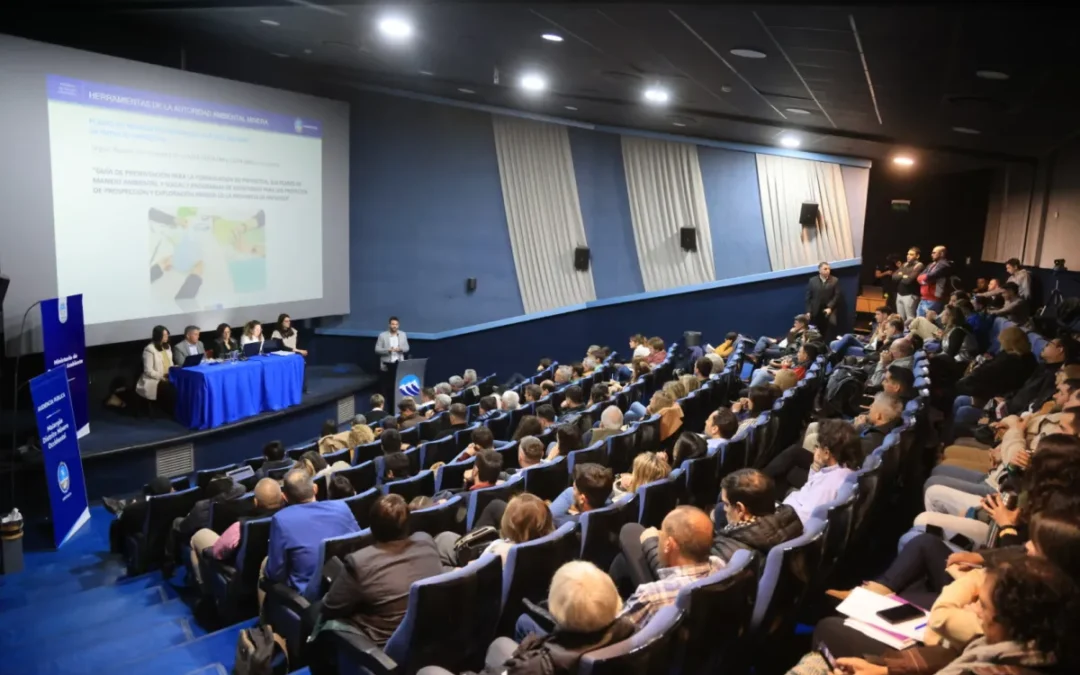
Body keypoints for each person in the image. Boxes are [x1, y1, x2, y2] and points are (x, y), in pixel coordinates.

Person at [824, 558, 1080, 675]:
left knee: (828, 629)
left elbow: (941, 620)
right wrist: (882, 672)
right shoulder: (1022, 649)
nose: (975, 610)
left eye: (984, 606)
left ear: (1011, 622)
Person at [319, 494, 443, 646]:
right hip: (428, 640)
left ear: (372, 528)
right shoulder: (426, 540)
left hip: (381, 653)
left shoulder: (359, 562)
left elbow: (330, 608)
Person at [264, 469, 360, 599]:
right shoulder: (342, 507)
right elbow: (360, 544)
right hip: (350, 586)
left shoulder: (280, 520)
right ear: (315, 489)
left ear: (284, 497)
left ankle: (266, 619)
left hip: (309, 601)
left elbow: (275, 574)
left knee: (265, 567)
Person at [619, 506, 722, 627]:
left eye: (660, 534)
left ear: (668, 545)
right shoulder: (718, 565)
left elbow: (613, 632)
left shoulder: (652, 596)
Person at [189, 478, 284, 588]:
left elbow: (217, 553)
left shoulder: (240, 527)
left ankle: (204, 590)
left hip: (240, 578)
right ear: (282, 497)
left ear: (255, 502)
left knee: (198, 536)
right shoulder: (289, 518)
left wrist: (207, 551)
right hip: (271, 572)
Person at [434, 493, 555, 568]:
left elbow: (471, 570)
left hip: (471, 564)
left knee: (441, 540)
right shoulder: (551, 545)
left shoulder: (498, 552)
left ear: (508, 526)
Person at [782, 419, 864, 524]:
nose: (816, 450)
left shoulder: (828, 484)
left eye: (818, 446)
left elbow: (805, 517)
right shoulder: (845, 470)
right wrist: (816, 465)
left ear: (826, 453)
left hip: (791, 516)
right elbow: (811, 487)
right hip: (797, 501)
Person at [955, 325, 1037, 403]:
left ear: (1008, 343)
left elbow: (986, 374)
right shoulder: (1029, 357)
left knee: (959, 395)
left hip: (996, 396)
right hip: (996, 390)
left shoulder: (1010, 361)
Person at [549, 463, 614, 527]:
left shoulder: (560, 522)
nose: (572, 490)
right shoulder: (613, 509)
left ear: (582, 499)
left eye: (574, 488)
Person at [136, 325, 177, 415]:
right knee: (171, 388)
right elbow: (148, 371)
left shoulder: (167, 347)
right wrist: (162, 377)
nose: (167, 337)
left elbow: (170, 363)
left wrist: (175, 369)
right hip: (155, 379)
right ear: (158, 336)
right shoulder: (149, 349)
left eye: (167, 335)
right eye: (164, 335)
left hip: (169, 375)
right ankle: (171, 412)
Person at [375, 316, 409, 401]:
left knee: (397, 388)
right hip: (387, 366)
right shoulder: (382, 336)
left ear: (398, 325)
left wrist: (400, 349)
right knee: (387, 389)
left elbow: (407, 348)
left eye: (396, 324)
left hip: (399, 365)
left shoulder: (403, 334)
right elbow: (377, 350)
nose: (394, 326)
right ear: (389, 325)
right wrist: (388, 350)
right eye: (393, 324)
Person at [806, 261, 841, 340]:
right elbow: (808, 297)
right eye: (825, 269)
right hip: (815, 310)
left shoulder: (835, 280)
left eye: (829, 269)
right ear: (820, 270)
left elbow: (837, 295)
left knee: (830, 328)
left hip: (828, 310)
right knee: (813, 331)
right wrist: (808, 311)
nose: (828, 270)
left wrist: (830, 307)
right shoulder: (812, 281)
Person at [917, 245, 953, 316]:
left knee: (927, 322)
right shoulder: (931, 264)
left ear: (942, 254)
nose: (932, 254)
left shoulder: (944, 265)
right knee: (919, 320)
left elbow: (930, 277)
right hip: (924, 298)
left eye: (934, 253)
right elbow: (919, 277)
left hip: (934, 299)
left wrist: (924, 280)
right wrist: (924, 279)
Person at [893, 247, 925, 322]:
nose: (908, 256)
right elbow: (894, 277)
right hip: (900, 294)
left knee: (910, 319)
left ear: (917, 256)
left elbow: (908, 280)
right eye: (908, 254)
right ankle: (901, 334)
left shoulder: (919, 266)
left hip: (910, 295)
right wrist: (904, 275)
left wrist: (901, 274)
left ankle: (909, 334)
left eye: (911, 254)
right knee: (899, 319)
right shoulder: (905, 264)